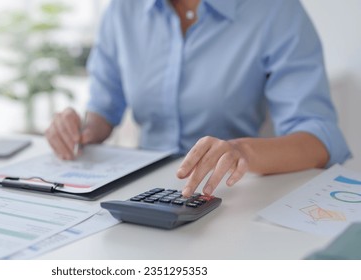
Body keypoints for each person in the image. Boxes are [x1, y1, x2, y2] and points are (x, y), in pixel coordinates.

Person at [45, 0, 351, 198]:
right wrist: (80, 130)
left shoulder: (275, 11)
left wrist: (239, 150)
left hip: (229, 196)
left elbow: (321, 139)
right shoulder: (122, 10)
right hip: (140, 194)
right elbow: (103, 109)